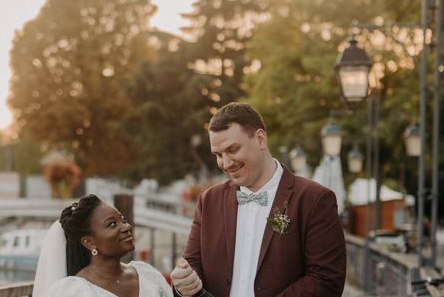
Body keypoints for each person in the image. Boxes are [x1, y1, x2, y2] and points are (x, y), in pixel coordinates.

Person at [171, 102, 346, 297]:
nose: (226, 163)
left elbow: (326, 280)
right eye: (218, 155)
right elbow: (192, 266)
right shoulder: (208, 201)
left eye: (233, 149)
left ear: (260, 139)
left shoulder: (314, 199)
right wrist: (183, 283)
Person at [33, 193, 173, 297]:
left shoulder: (147, 274)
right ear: (89, 242)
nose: (126, 227)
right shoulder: (73, 291)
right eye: (112, 224)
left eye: (123, 220)